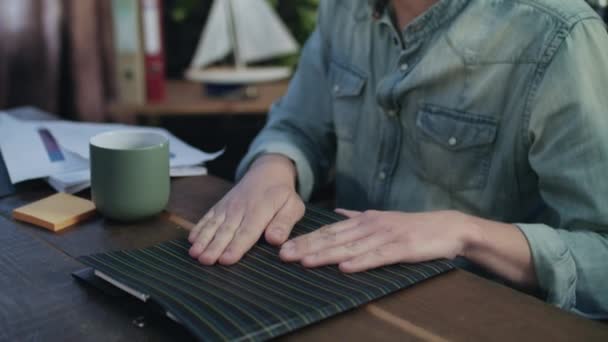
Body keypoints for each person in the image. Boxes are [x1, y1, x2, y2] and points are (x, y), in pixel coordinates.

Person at [188, 0, 608, 318]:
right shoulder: (342, 8)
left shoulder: (560, 34)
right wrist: (274, 167)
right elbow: (298, 124)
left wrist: (463, 233)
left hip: (481, 320)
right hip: (337, 301)